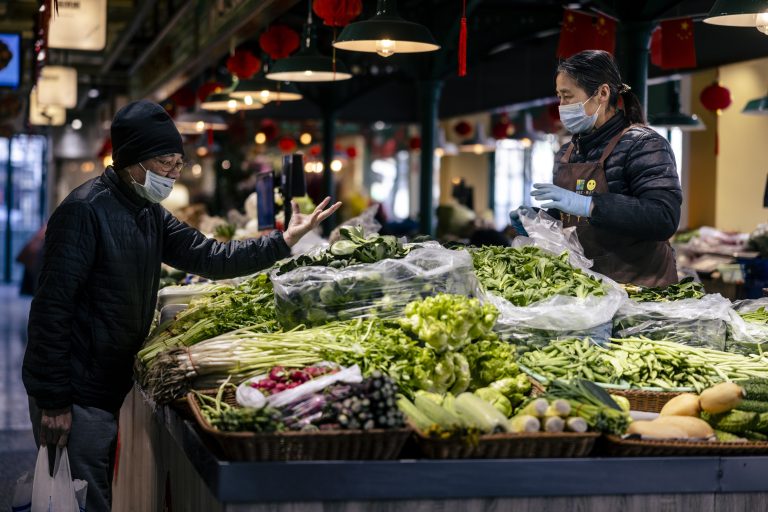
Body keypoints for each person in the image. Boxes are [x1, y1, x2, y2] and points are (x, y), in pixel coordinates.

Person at [22, 100, 341, 511]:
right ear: (133, 160)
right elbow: (51, 308)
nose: (174, 173)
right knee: (81, 499)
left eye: (178, 163)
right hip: (77, 389)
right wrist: (53, 400)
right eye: (166, 163)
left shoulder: (148, 212)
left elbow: (210, 257)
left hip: (105, 383)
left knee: (90, 493)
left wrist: (282, 242)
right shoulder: (84, 211)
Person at [511, 50, 681, 287]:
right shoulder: (566, 153)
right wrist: (540, 222)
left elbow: (664, 218)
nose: (562, 105)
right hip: (588, 288)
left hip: (641, 288)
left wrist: (590, 204)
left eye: (568, 96)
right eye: (559, 96)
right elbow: (574, 223)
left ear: (602, 93)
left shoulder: (644, 144)